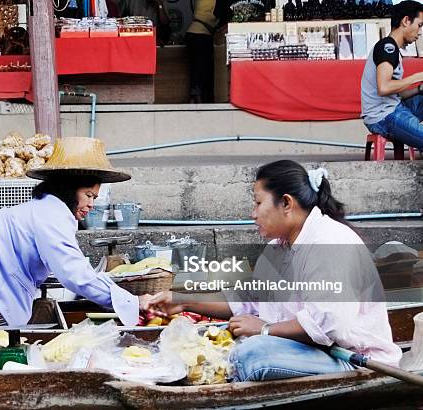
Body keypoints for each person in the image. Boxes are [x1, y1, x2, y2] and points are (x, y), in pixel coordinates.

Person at [143, 160, 402, 382]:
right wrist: (183, 301)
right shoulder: (276, 249)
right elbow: (249, 300)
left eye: (258, 203)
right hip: (306, 352)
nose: (253, 213)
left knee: (251, 354)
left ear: (286, 203)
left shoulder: (329, 242)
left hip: (353, 361)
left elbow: (329, 327)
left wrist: (265, 329)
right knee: (222, 345)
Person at [0, 137, 146, 328]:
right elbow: (75, 275)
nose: (91, 205)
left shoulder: (48, 210)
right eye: (88, 195)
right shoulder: (52, 214)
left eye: (94, 198)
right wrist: (133, 302)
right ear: (69, 189)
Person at [361, 0, 423, 151]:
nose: (420, 32)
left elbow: (397, 93)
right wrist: (417, 77)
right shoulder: (387, 47)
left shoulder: (393, 48)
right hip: (383, 117)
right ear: (406, 21)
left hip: (394, 107)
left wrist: (419, 89)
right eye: (419, 25)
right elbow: (384, 87)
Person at [187, 0, 219, 103]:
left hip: (193, 32)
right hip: (201, 34)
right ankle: (198, 98)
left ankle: (195, 97)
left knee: (197, 67)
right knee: (202, 67)